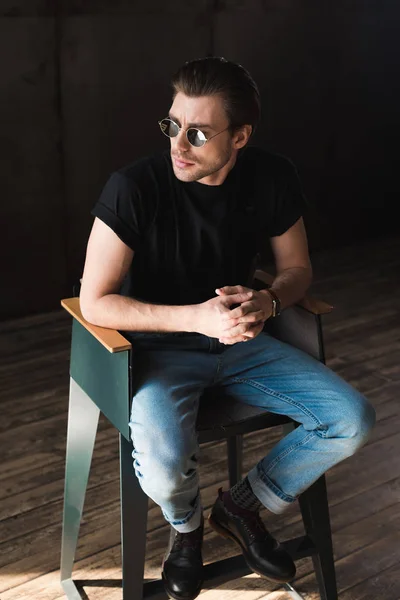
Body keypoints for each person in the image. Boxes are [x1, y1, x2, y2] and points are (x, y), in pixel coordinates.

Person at [80, 57, 376, 600]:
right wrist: (195, 318)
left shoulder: (272, 175)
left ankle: (241, 505)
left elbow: (298, 269)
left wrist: (268, 299)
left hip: (244, 344)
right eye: (172, 125)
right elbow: (94, 302)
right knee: (166, 469)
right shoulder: (133, 187)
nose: (179, 144)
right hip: (155, 353)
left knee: (351, 419)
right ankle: (187, 532)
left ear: (240, 136)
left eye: (197, 132)